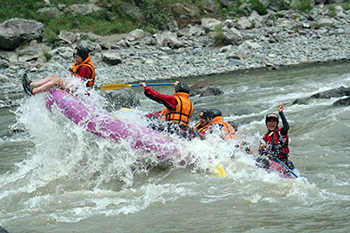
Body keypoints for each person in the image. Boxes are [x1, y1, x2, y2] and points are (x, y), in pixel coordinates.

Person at [22, 45, 96, 95]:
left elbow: (79, 85)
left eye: (77, 58)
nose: (75, 59)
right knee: (54, 76)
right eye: (75, 57)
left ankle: (33, 91)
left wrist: (64, 83)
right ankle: (31, 85)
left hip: (79, 92)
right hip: (75, 88)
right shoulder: (81, 63)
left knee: (56, 81)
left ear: (83, 57)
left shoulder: (85, 68)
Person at [258, 101, 294, 170]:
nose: (271, 123)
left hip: (282, 164)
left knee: (262, 162)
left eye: (274, 121)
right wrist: (261, 148)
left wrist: (281, 113)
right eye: (269, 121)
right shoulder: (264, 137)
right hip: (272, 164)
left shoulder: (279, 133)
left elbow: (286, 128)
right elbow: (260, 153)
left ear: (277, 123)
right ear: (266, 123)